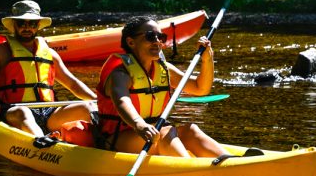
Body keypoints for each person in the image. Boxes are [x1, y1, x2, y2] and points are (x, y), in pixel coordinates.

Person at [96, 16, 224, 158]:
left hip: (153, 133)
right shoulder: (120, 74)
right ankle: (189, 168)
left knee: (190, 130)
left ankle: (229, 162)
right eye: (151, 36)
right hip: (116, 138)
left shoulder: (164, 69)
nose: (158, 41)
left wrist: (207, 59)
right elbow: (122, 101)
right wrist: (139, 124)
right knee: (164, 134)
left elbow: (200, 88)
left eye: (161, 37)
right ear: (131, 42)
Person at [0, 0, 96, 148]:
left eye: (32, 24)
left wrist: (98, 100)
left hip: (49, 112)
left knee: (87, 107)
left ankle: (107, 144)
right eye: (22, 23)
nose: (27, 28)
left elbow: (72, 84)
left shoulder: (50, 54)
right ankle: (44, 143)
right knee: (23, 112)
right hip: (14, 110)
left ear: (37, 26)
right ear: (14, 25)